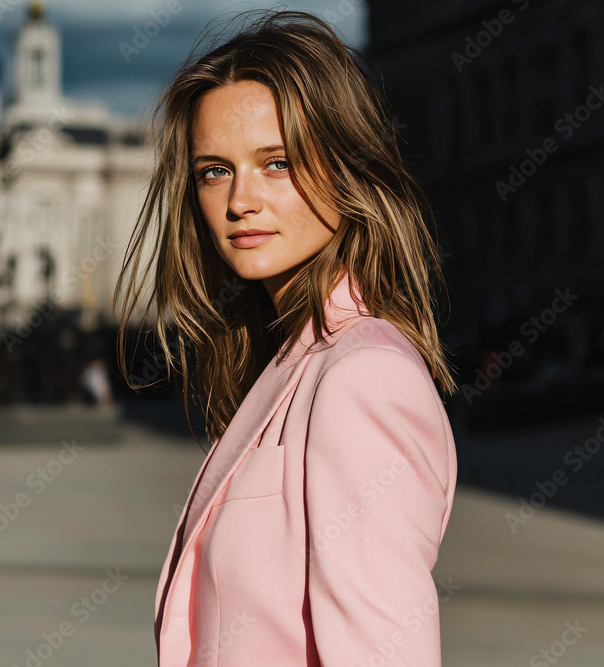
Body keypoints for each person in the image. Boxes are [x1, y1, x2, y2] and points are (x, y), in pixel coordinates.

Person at [114, 10, 460, 665]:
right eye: (215, 170)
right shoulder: (289, 363)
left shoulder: (362, 377)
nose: (241, 199)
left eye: (276, 162)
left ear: (346, 167)